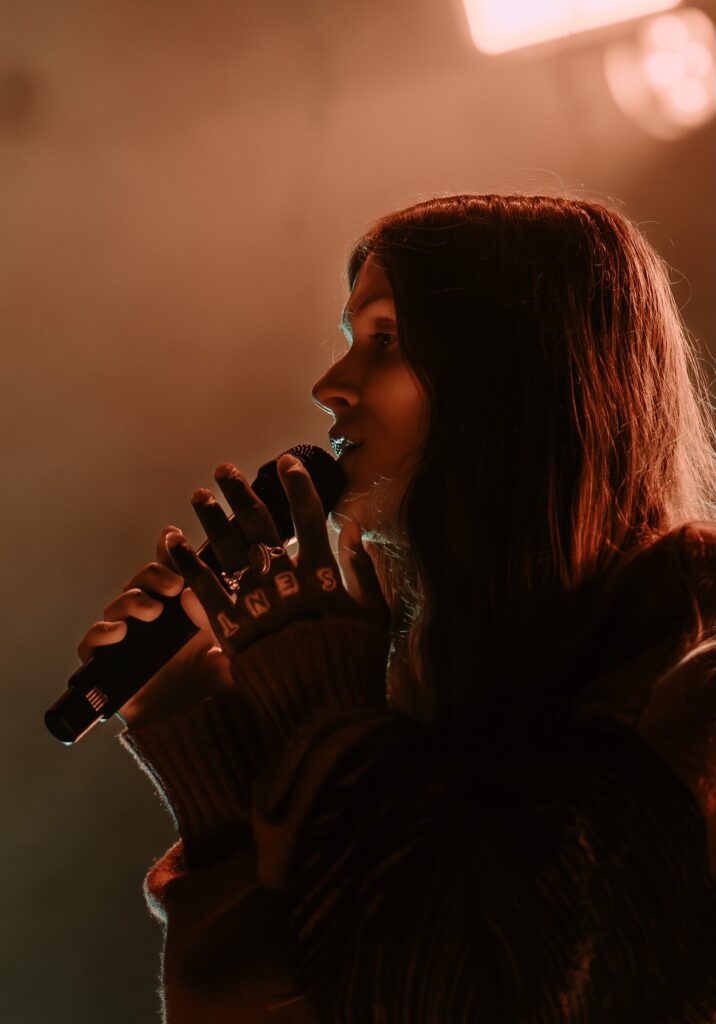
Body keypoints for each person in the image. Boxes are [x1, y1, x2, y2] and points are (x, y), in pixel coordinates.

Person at [79, 194, 716, 1023]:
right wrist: (202, 729)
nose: (329, 385)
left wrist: (329, 725)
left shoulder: (690, 688)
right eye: (351, 340)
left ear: (519, 375)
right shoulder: (429, 685)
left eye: (387, 340)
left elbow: (465, 987)